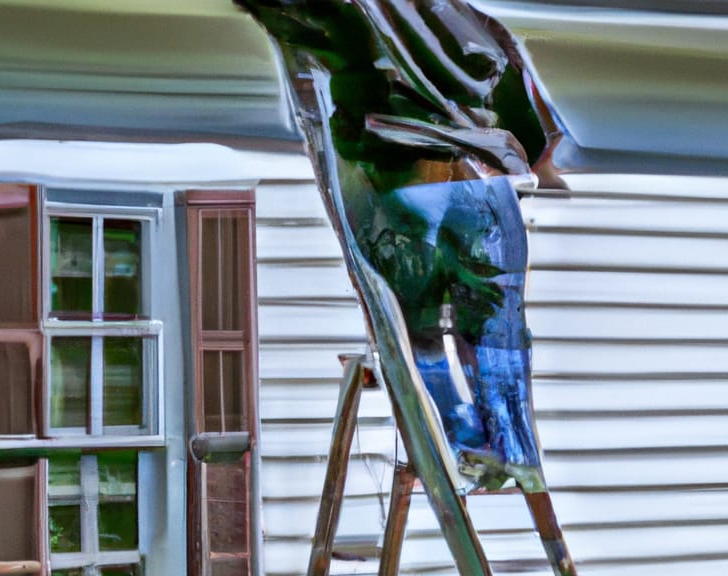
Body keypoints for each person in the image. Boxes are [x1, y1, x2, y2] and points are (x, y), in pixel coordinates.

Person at [236, 1, 576, 574]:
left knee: (418, 331)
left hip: (401, 174)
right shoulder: (475, 23)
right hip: (490, 181)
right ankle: (511, 450)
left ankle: (465, 448)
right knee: (496, 324)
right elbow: (540, 140)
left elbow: (331, 31)